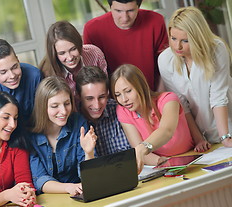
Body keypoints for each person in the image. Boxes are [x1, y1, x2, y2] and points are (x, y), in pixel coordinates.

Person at [158, 6, 232, 150]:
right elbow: (181, 104)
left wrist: (225, 137)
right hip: (203, 134)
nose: (177, 46)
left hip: (228, 126)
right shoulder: (165, 60)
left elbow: (218, 96)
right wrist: (198, 139)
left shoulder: (216, 49)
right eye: (173, 38)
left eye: (185, 41)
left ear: (198, 37)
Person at [111, 64, 194, 171]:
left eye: (128, 91)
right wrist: (161, 162)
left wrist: (143, 147)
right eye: (118, 94)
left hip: (190, 156)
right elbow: (139, 151)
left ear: (141, 86)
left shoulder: (169, 99)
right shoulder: (123, 110)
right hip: (162, 164)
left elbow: (166, 131)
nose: (124, 99)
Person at [29, 76, 97, 196]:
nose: (64, 111)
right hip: (50, 199)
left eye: (67, 103)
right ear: (43, 107)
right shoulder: (31, 134)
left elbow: (89, 176)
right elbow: (39, 180)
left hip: (78, 192)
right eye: (55, 106)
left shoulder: (78, 123)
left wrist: (89, 153)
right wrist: (68, 187)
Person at [83, 0, 168, 91]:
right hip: (113, 100)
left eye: (130, 11)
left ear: (138, 7)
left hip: (151, 94)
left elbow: (164, 68)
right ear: (110, 7)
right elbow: (92, 77)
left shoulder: (156, 21)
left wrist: (159, 98)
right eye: (118, 11)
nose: (125, 18)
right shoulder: (92, 29)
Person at [0, 38, 42, 123]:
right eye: (3, 72)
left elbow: (42, 114)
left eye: (15, 67)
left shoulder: (34, 75)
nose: (12, 76)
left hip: (34, 128)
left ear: (17, 60)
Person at [39, 21, 107, 97]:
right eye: (62, 53)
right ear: (54, 54)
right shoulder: (47, 73)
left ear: (79, 43)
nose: (70, 57)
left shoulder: (95, 54)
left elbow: (105, 90)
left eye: (73, 49)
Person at [75, 66, 130, 156]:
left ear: (108, 93)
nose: (97, 105)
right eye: (89, 98)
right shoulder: (75, 122)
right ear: (78, 96)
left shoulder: (119, 109)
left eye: (101, 97)